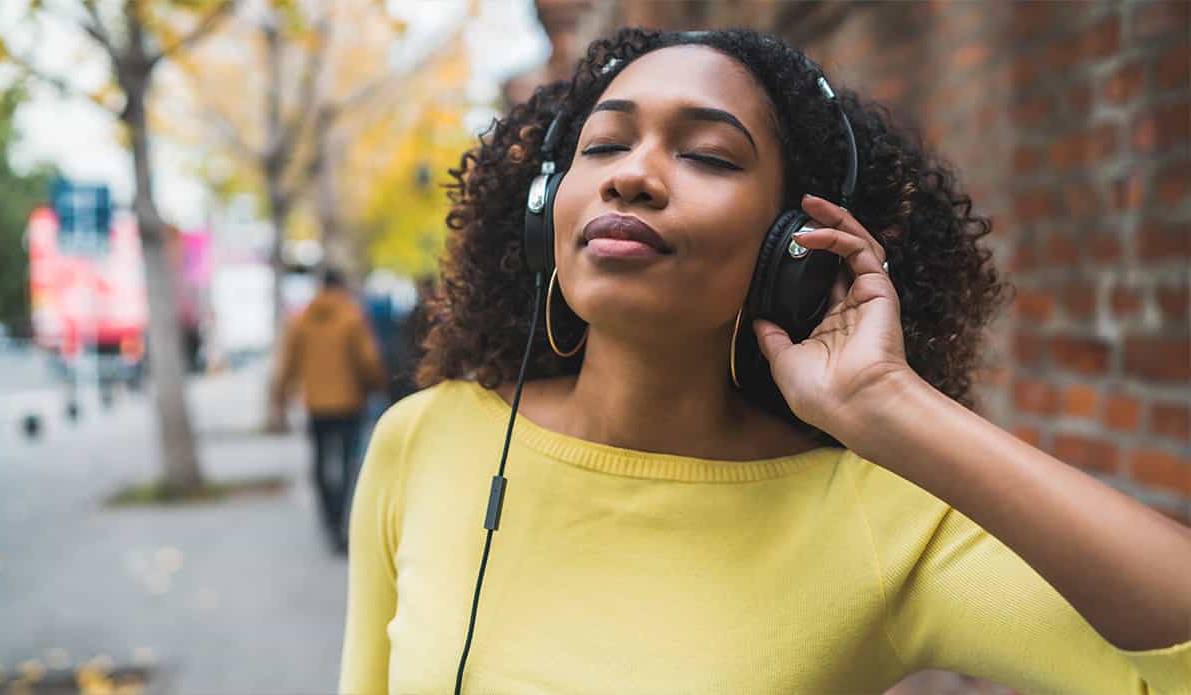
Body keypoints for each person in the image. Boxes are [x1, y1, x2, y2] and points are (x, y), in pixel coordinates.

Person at [339, 28, 1191, 694]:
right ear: (542, 214)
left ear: (794, 249)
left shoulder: (878, 519)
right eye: (602, 146)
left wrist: (895, 406)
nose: (631, 176)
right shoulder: (424, 438)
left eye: (707, 154)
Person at [275, 268, 387, 553]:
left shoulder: (301, 321)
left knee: (321, 462)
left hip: (316, 405)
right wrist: (376, 384)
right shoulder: (351, 318)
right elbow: (368, 360)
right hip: (350, 404)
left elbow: (288, 362)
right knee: (350, 463)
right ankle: (343, 520)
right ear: (340, 287)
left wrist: (280, 394)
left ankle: (329, 517)